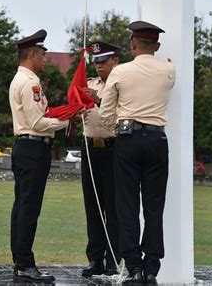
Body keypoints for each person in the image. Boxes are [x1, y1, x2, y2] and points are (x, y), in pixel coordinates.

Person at [99, 21, 175, 285]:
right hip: (157, 140)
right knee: (154, 207)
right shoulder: (168, 70)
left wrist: (118, 128)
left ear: (133, 44)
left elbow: (107, 112)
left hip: (128, 140)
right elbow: (169, 79)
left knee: (127, 206)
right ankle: (152, 267)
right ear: (157, 46)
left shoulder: (120, 71)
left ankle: (134, 268)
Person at [9, 29, 75, 283]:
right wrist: (67, 118)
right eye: (43, 55)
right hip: (33, 147)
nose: (45, 60)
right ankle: (25, 262)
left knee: (22, 206)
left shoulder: (21, 79)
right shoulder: (30, 82)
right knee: (29, 207)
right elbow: (37, 122)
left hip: (25, 147)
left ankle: (20, 260)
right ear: (33, 54)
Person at [80, 41, 121, 277]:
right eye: (95, 62)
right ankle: (95, 258)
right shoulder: (89, 84)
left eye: (103, 61)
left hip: (112, 147)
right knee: (93, 206)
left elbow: (120, 112)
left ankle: (113, 259)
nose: (98, 67)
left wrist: (97, 99)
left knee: (113, 207)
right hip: (89, 148)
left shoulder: (121, 84)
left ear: (115, 60)